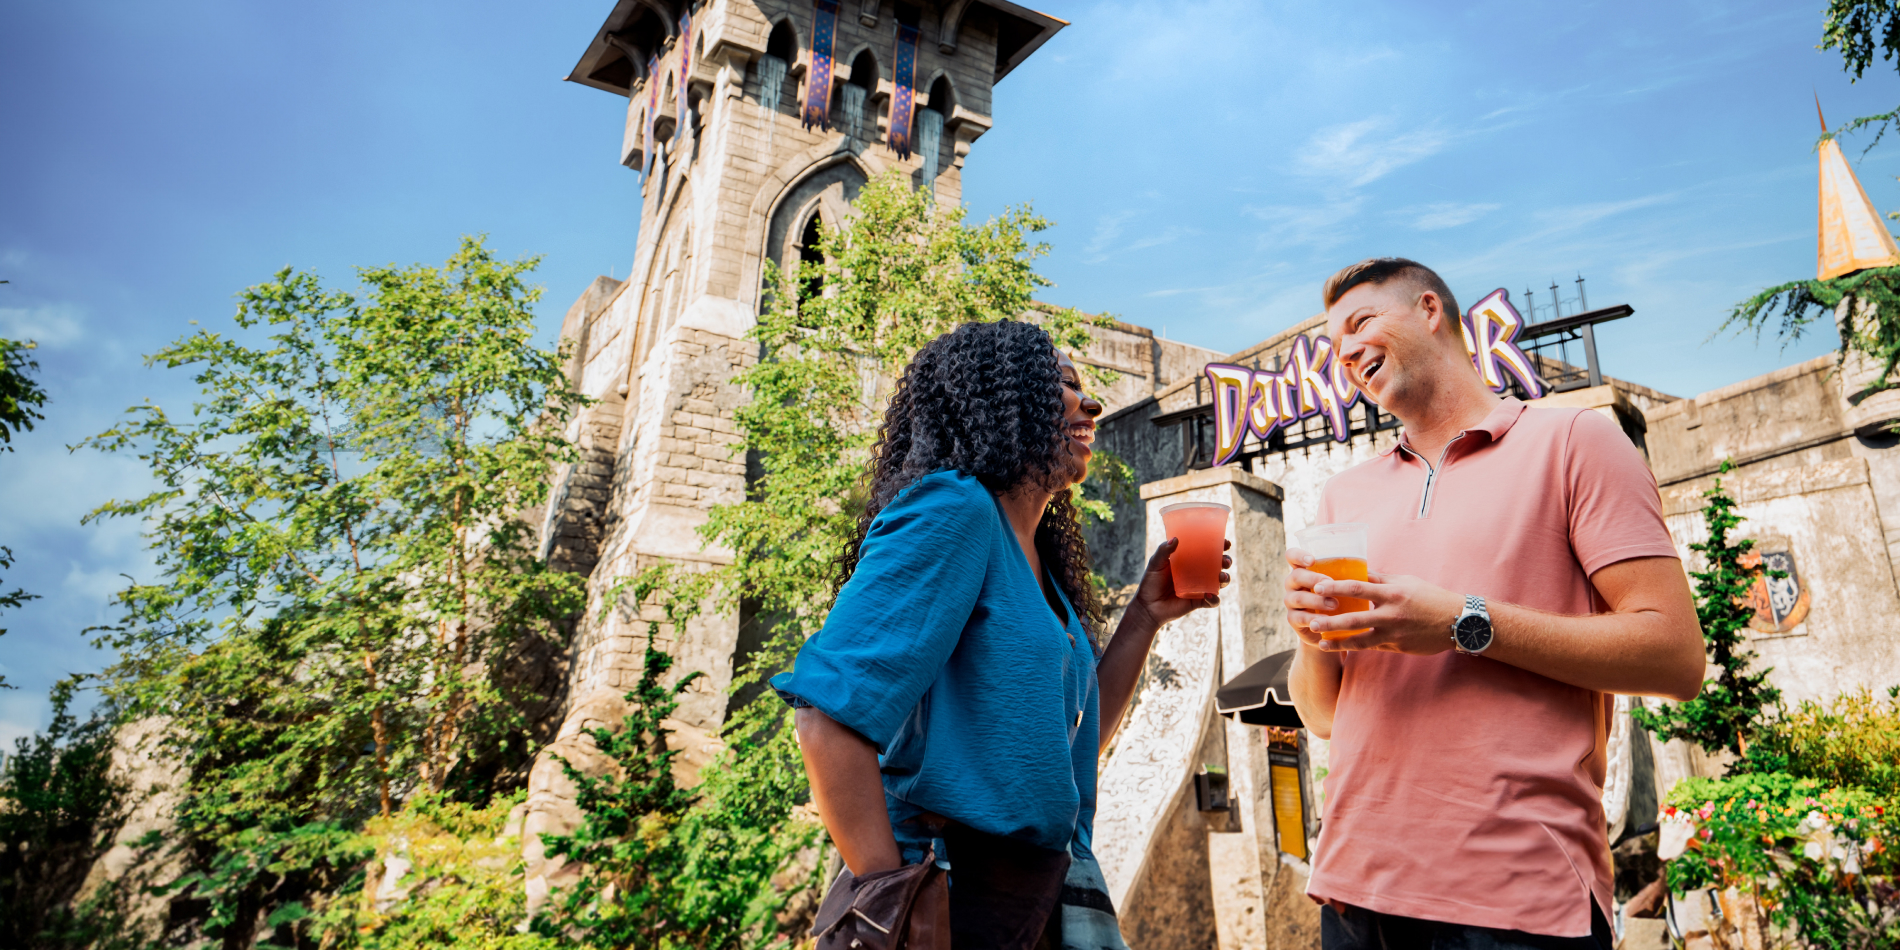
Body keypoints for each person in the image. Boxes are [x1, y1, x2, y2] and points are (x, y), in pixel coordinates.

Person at [1282, 258, 1706, 949]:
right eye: (1335, 346)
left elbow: (1676, 658)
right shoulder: (1342, 498)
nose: (1348, 353)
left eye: (1362, 324)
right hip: (1355, 891)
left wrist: (1459, 622)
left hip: (1518, 895)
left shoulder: (1574, 443)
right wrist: (1309, 631)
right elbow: (1326, 715)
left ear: (1429, 311)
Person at [771, 320, 1228, 950]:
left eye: (1086, 388)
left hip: (1038, 893)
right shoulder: (956, 510)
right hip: (954, 896)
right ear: (1000, 402)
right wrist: (894, 908)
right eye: (1060, 385)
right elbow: (826, 720)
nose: (1089, 403)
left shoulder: (1037, 564)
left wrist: (1144, 617)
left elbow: (1067, 751)